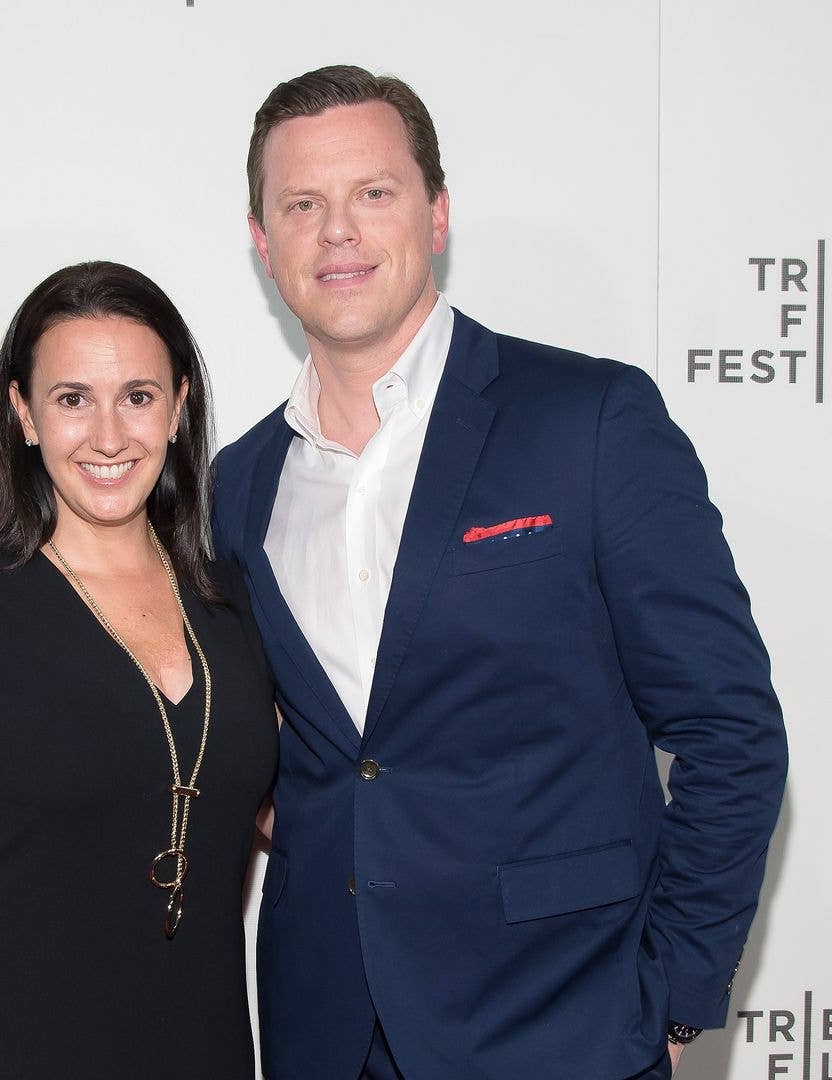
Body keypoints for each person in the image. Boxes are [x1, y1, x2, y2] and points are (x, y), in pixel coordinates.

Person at [212, 66, 788, 1079]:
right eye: (301, 204)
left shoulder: (589, 421)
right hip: (325, 1030)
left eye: (373, 193)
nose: (337, 231)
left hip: (559, 1023)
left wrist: (671, 998)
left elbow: (730, 730)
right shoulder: (239, 484)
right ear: (263, 241)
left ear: (436, 214)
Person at [0, 261, 277, 1079]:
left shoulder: (238, 603)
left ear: (179, 407)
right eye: (72, 399)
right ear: (24, 415)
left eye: (138, 396)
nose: (108, 436)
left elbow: (296, 814)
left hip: (201, 1051)